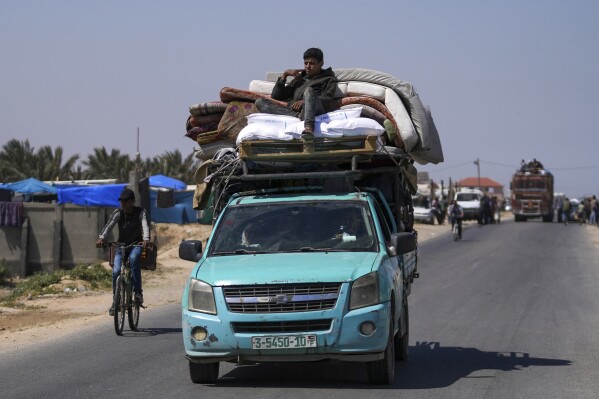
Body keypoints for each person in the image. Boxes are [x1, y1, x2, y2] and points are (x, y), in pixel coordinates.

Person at [255, 47, 338, 141]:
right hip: (294, 112)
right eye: (306, 63)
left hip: (315, 109)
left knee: (309, 91)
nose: (307, 66)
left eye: (312, 63)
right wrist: (284, 75)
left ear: (321, 63)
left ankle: (308, 128)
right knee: (260, 102)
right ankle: (299, 117)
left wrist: (305, 101)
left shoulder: (329, 79)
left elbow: (327, 98)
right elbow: (277, 96)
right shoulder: (300, 78)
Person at [96, 188, 150, 315]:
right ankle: (116, 302)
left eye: (126, 201)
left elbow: (145, 226)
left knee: (134, 259)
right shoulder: (118, 213)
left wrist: (146, 239)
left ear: (132, 201)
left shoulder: (140, 212)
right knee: (116, 271)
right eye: (121, 201)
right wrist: (101, 238)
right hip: (121, 246)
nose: (123, 203)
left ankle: (137, 292)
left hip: (136, 244)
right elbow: (109, 226)